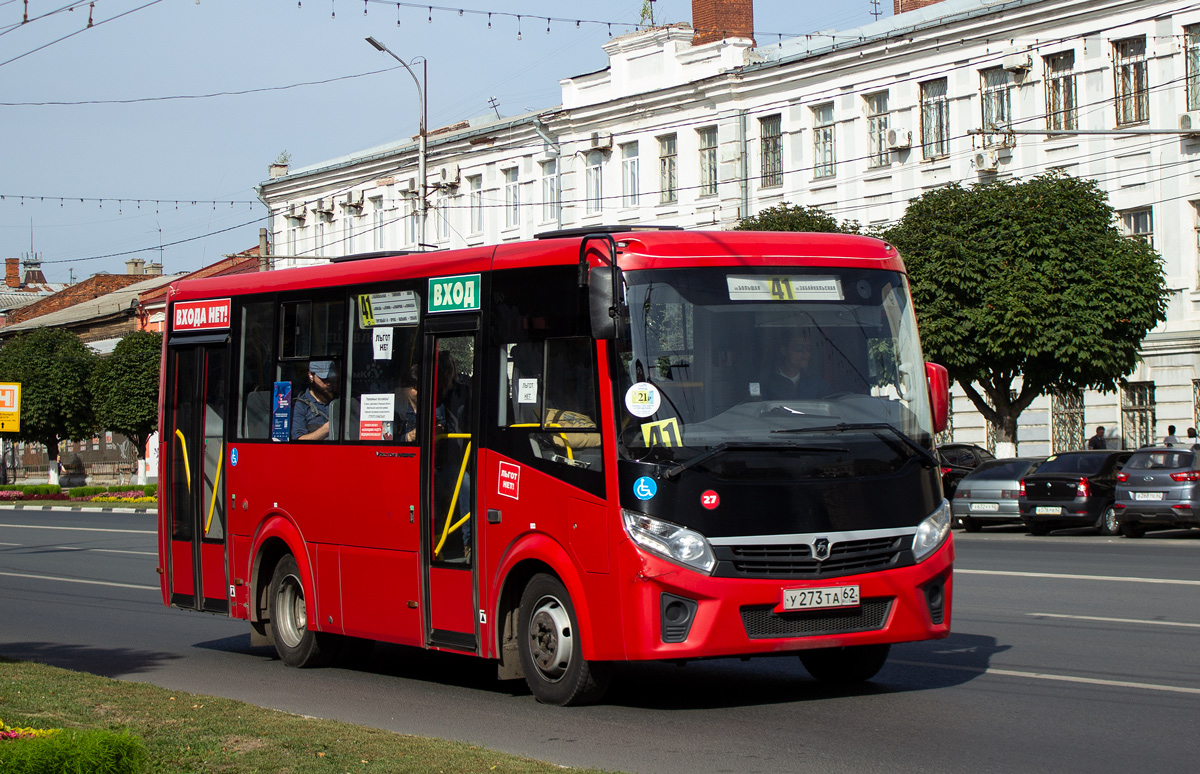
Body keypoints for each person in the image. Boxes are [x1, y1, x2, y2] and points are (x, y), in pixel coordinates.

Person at [762, 330, 830, 400]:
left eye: (809, 348)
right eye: (799, 347)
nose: (805, 353)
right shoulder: (766, 380)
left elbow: (832, 400)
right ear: (784, 350)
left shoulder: (816, 381)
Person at [291, 360, 339, 441]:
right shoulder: (301, 405)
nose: (328, 383)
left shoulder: (339, 401)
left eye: (331, 378)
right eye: (324, 378)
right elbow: (298, 440)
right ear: (311, 376)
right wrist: (326, 429)